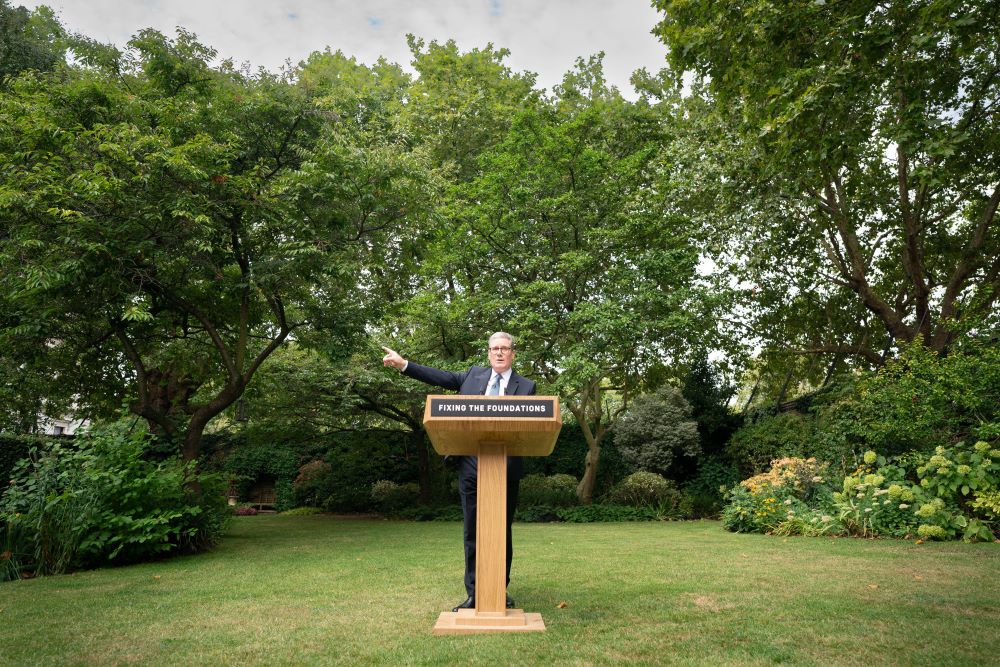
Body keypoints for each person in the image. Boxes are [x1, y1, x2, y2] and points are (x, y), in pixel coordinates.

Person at [381, 332, 535, 612]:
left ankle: (499, 589)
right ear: (488, 353)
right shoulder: (472, 377)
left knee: (502, 531)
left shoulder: (526, 386)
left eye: (504, 348)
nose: (499, 353)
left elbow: (530, 426)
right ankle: (475, 592)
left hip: (506, 467)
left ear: (513, 353)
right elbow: (440, 377)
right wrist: (405, 364)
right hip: (471, 466)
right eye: (494, 348)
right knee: (472, 530)